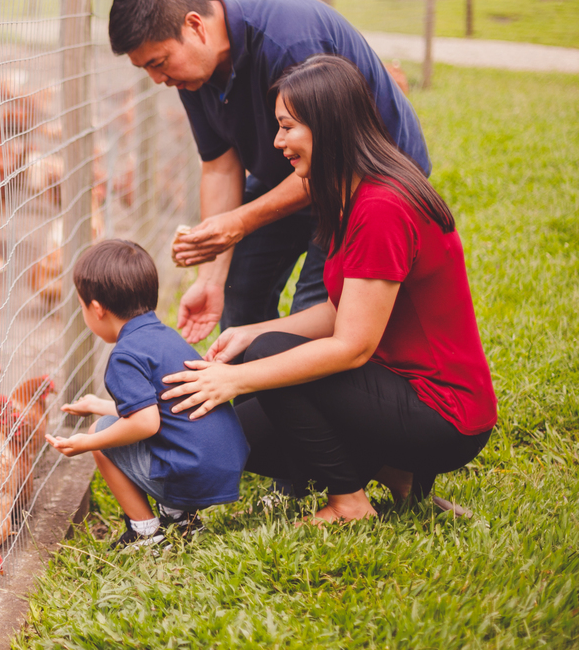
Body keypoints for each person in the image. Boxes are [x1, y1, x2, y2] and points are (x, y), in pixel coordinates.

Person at [159, 55, 496, 524]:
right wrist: (253, 330)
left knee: (264, 361)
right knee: (240, 436)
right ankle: (398, 474)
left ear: (329, 126)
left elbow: (352, 347)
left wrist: (238, 375)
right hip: (399, 390)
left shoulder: (382, 207)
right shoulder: (352, 192)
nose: (278, 142)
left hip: (444, 414)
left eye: (287, 127)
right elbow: (344, 311)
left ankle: (349, 502)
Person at [108, 0, 432, 343]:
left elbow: (331, 162)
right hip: (293, 171)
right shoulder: (193, 72)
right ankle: (251, 395)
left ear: (195, 26)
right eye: (146, 67)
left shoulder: (291, 43)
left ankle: (299, 393)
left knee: (313, 314)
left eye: (159, 62)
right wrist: (211, 278)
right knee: (239, 289)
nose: (157, 79)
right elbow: (219, 166)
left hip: (364, 180)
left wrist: (241, 221)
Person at [46, 239, 249, 548]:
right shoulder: (165, 337)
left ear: (97, 310)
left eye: (81, 305)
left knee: (101, 435)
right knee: (110, 423)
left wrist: (88, 443)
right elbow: (160, 409)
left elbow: (145, 423)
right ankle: (180, 518)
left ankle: (146, 534)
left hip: (193, 474)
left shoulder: (124, 356)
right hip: (223, 465)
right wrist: (100, 404)